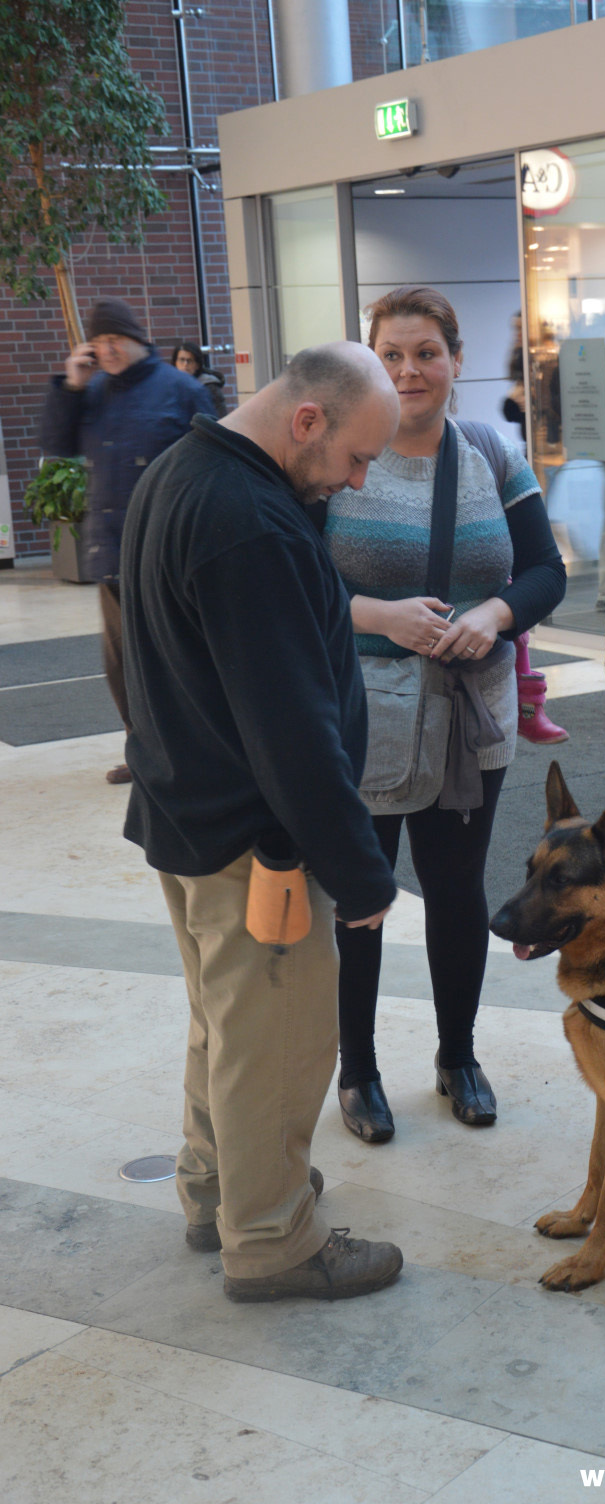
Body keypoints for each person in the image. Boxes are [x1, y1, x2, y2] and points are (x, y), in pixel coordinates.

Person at [120, 341, 406, 1304]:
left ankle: (217, 1191)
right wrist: (363, 877)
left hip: (187, 813)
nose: (359, 482)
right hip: (255, 842)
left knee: (224, 1029)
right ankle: (274, 1237)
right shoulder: (252, 523)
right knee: (280, 1043)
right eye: (357, 458)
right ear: (307, 421)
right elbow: (293, 730)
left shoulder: (179, 472)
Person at [324, 285, 565, 1141]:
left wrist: (494, 615)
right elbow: (297, 579)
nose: (409, 370)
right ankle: (358, 1071)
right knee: (362, 893)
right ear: (369, 363)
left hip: (470, 713)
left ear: (457, 361)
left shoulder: (491, 455)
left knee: (457, 888)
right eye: (391, 354)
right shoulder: (345, 454)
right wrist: (381, 616)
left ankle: (457, 1055)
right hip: (366, 714)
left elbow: (544, 570)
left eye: (426, 352)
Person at [39, 299, 215, 783]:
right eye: (99, 342)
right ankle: (144, 755)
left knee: (173, 663)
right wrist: (72, 386)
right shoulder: (92, 391)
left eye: (115, 339)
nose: (107, 349)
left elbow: (212, 465)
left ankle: (187, 756)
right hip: (111, 552)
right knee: (122, 668)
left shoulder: (180, 390)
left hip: (165, 554)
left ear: (139, 339)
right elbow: (57, 444)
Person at [171, 338, 227, 418]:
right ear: (175, 363)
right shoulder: (169, 385)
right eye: (181, 360)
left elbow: (220, 417)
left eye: (189, 361)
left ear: (197, 365)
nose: (185, 364)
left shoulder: (209, 386)